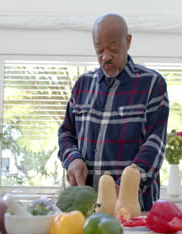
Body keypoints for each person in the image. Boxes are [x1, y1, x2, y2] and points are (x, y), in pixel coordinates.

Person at [58, 13, 169, 211]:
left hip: (134, 206)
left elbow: (155, 144)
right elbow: (66, 133)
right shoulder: (83, 84)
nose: (106, 57)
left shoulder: (152, 83)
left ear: (128, 42)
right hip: (85, 206)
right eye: (99, 50)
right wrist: (72, 159)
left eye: (114, 49)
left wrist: (124, 188)